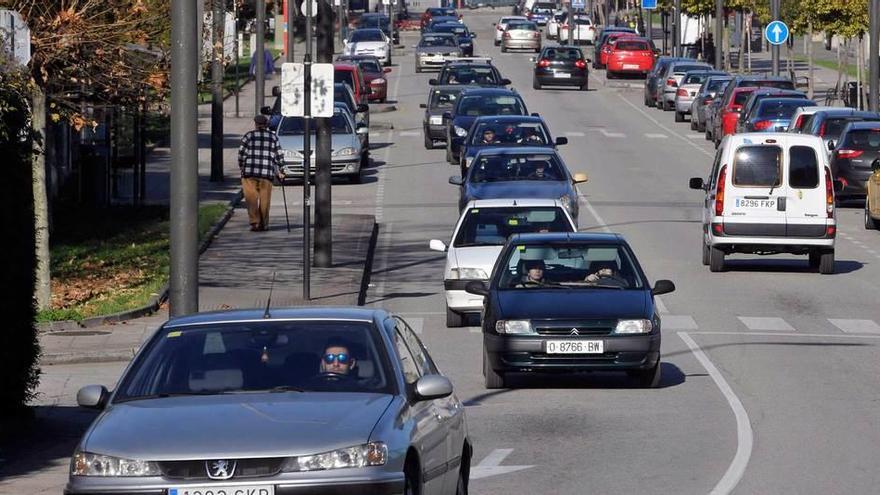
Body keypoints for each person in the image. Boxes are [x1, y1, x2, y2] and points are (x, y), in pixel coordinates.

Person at [237, 115, 285, 231]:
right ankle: (264, 224)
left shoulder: (249, 136)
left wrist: (242, 166)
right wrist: (281, 170)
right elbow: (279, 155)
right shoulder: (273, 137)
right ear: (266, 124)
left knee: (251, 198)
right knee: (265, 199)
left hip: (249, 173)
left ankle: (254, 223)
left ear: (256, 124)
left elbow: (241, 153)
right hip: (266, 173)